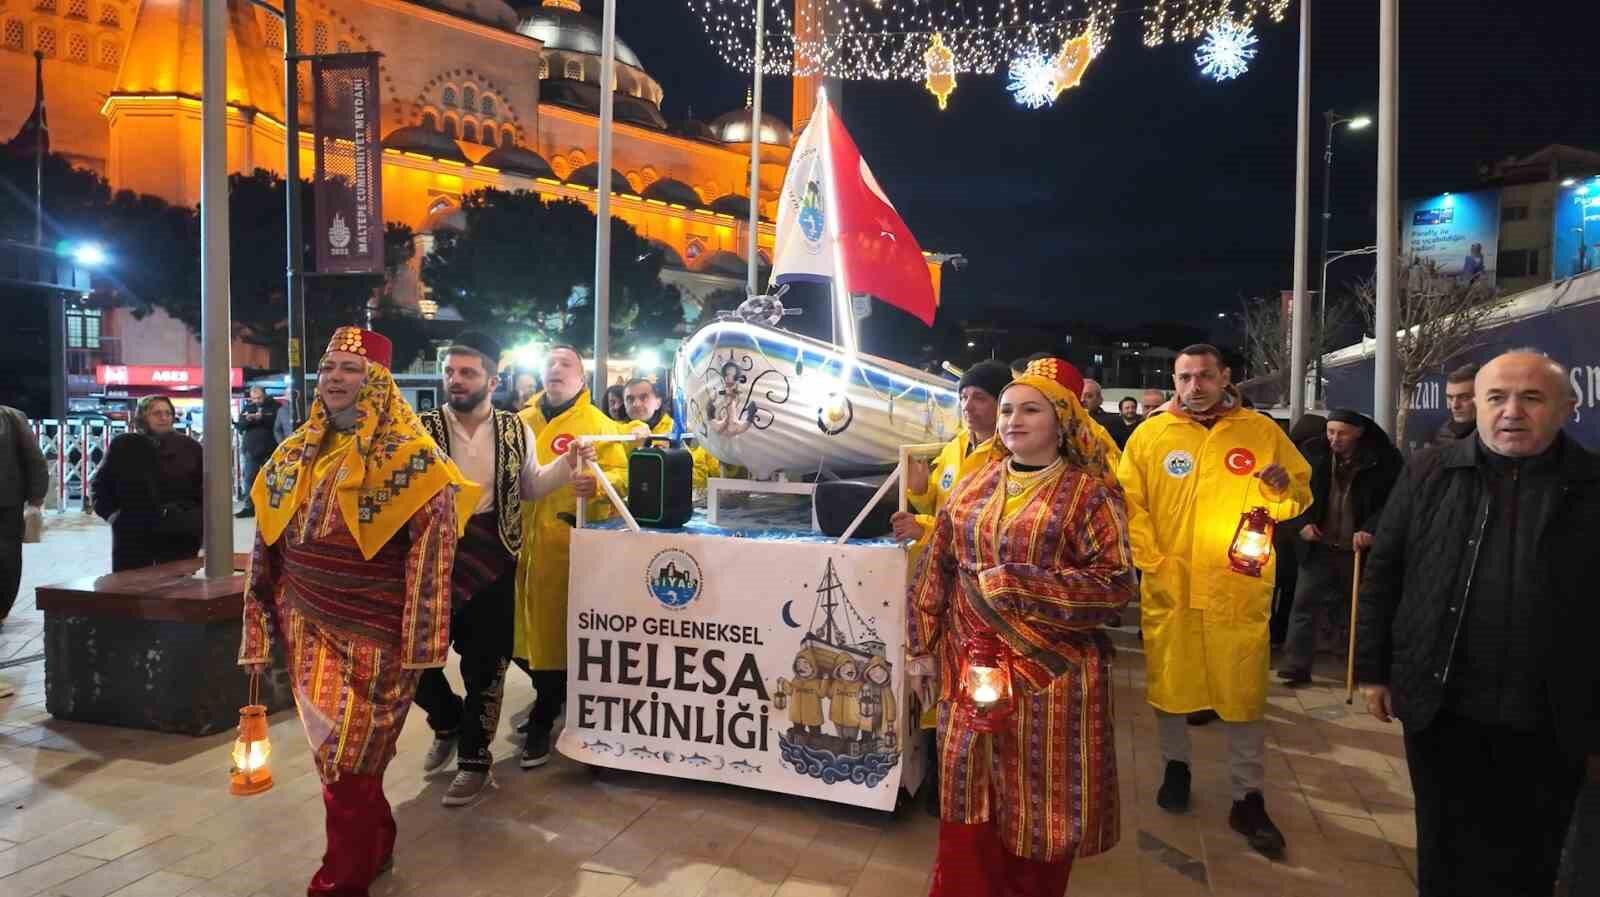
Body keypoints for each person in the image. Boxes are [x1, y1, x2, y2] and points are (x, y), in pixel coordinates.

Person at [238, 327, 475, 897]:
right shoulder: (293, 453)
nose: (335, 378)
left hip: (377, 636)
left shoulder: (416, 461)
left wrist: (421, 646)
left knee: (351, 757)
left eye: (350, 368)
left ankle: (340, 881)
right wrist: (258, 625)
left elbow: (433, 555)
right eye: (328, 368)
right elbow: (266, 544)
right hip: (305, 623)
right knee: (339, 761)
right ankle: (373, 847)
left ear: (378, 383)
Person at [1356, 350, 1600, 897]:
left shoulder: (1592, 484)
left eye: (1531, 398)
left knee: (1530, 858)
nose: (1512, 411)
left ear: (1567, 407)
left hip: (1550, 720)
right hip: (1442, 708)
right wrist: (1372, 670)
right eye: (1497, 397)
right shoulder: (1429, 472)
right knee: (1444, 848)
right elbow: (1385, 572)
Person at [909, 356, 1137, 897]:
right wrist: (921, 648)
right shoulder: (974, 483)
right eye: (1008, 409)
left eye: (1031, 410)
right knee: (968, 795)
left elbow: (1114, 586)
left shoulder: (1090, 495)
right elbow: (936, 567)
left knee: (1040, 806)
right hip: (968, 672)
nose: (1013, 420)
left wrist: (1017, 583)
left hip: (1052, 680)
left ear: (1062, 421)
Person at [1117, 344, 1312, 857]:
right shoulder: (1152, 436)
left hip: (1237, 585)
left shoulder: (1261, 432)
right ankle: (1175, 767)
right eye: (1184, 377)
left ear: (1225, 377)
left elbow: (1297, 495)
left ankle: (1247, 795)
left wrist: (1280, 489)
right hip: (1173, 585)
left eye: (1204, 375)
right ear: (1174, 380)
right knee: (1170, 682)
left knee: (1243, 690)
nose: (1194, 386)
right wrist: (1154, 561)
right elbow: (1128, 504)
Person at [412, 331, 596, 807]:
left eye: (467, 373)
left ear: (492, 381)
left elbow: (531, 487)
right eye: (450, 372)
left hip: (494, 555)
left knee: (486, 667)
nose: (455, 380)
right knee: (413, 661)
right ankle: (446, 720)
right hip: (431, 557)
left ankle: (475, 761)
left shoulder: (515, 429)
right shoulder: (420, 428)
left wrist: (568, 465)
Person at [513, 346, 633, 768]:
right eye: (549, 364)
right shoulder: (520, 422)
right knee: (519, 638)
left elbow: (623, 473)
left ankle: (544, 718)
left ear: (582, 378)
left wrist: (598, 484)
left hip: (564, 547)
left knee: (554, 638)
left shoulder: (598, 424)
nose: (555, 369)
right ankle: (553, 696)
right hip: (517, 545)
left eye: (565, 364)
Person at [1275, 410, 1400, 685]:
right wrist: (1302, 524)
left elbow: (1394, 502)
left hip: (1357, 548)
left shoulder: (1383, 460)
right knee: (1304, 605)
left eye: (1342, 433)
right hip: (1318, 544)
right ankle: (1296, 665)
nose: (1334, 439)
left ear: (1358, 432)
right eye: (1330, 432)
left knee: (1356, 609)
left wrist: (1371, 528)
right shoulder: (1312, 454)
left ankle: (1356, 665)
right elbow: (1292, 494)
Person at [891, 360, 1011, 550]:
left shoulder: (1009, 458)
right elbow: (937, 509)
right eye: (963, 397)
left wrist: (925, 530)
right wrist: (921, 491)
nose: (967, 406)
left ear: (1002, 404)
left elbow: (992, 533)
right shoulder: (953, 448)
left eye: (979, 398)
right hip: (938, 558)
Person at [90, 395, 205, 571]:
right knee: (131, 584)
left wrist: (195, 520)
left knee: (175, 584)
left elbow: (204, 489)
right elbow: (101, 485)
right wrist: (113, 515)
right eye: (156, 413)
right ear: (143, 417)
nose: (164, 417)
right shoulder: (124, 445)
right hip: (133, 535)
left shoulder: (190, 447)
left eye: (168, 413)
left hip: (180, 533)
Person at [0, 403, 46, 624]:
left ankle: (1, 609)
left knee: (6, 559)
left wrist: (36, 498)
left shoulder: (11, 417)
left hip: (6, 504)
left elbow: (34, 458)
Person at [234, 386, 280, 518]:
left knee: (273, 480)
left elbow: (278, 424)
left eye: (259, 398)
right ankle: (249, 507)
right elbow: (240, 426)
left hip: (270, 449)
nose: (256, 401)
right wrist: (248, 419)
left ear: (265, 395)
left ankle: (273, 508)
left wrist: (262, 418)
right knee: (249, 479)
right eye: (254, 398)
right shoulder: (248, 407)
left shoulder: (275, 407)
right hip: (251, 449)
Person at [1082, 379, 1134, 449]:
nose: (1082, 399)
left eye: (1089, 396)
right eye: (1079, 395)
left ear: (1100, 399)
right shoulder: (1070, 420)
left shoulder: (1113, 421)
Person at [1435, 362, 1478, 445]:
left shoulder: (1496, 436)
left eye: (1464, 397)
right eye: (1450, 397)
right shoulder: (1444, 435)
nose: (1455, 405)